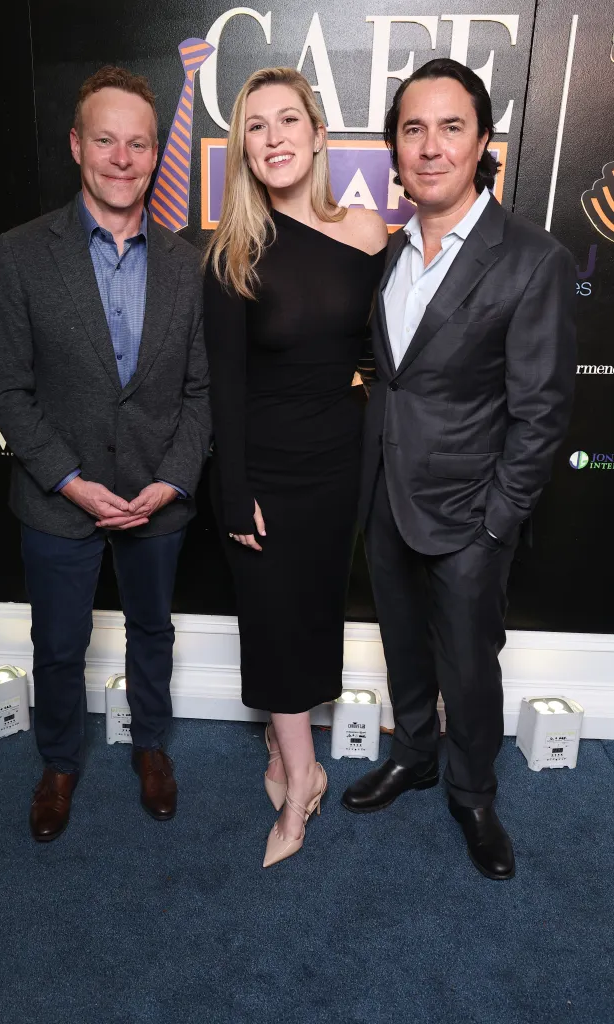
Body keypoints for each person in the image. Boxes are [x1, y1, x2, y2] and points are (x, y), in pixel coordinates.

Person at [341, 58, 576, 880]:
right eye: (412, 130)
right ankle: (415, 753)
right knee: (400, 643)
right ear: (394, 151)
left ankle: (472, 793)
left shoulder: (530, 258)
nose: (430, 147)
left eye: (450, 128)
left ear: (483, 145)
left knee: (469, 669)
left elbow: (541, 410)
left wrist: (494, 525)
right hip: (386, 498)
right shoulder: (387, 252)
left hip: (472, 513)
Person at [0, 66, 210, 841]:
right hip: (57, 497)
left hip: (156, 498)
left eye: (137, 143)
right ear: (78, 145)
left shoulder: (187, 263)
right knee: (58, 642)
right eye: (105, 140)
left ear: (154, 155)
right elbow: (5, 389)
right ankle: (59, 763)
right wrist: (70, 481)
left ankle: (151, 748)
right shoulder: (19, 253)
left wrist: (173, 479)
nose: (122, 157)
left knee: (153, 630)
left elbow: (201, 392)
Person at [203, 67, 388, 867]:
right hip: (265, 471)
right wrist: (233, 492)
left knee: (313, 616)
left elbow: (397, 349)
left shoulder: (368, 231)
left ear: (318, 135)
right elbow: (226, 389)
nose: (273, 137)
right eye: (255, 126)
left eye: (288, 121)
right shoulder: (232, 251)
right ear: (242, 148)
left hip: (340, 465)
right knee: (272, 622)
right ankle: (302, 781)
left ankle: (286, 755)